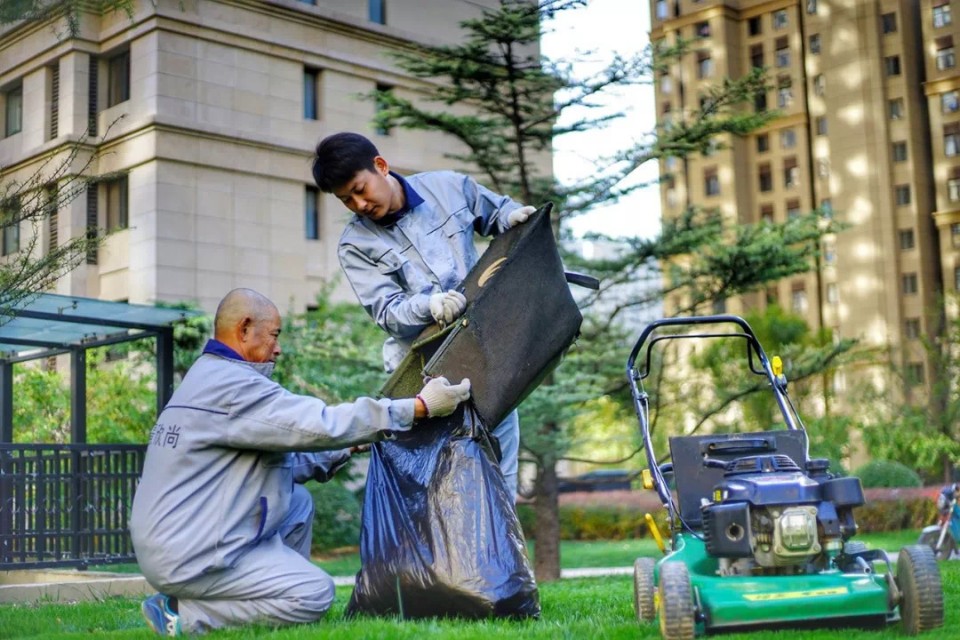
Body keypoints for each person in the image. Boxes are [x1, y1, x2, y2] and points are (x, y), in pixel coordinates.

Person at [130, 288, 471, 636]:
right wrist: (417, 407)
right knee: (314, 594)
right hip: (189, 552)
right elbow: (318, 423)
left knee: (296, 503)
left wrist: (348, 449)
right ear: (244, 328)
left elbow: (281, 466)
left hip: (185, 536)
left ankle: (274, 594)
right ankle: (182, 614)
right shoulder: (231, 387)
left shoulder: (211, 378)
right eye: (274, 335)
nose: (277, 348)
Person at [311, 132, 535, 498]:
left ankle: (504, 549)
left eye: (360, 189)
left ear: (380, 166)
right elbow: (386, 311)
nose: (358, 204)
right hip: (423, 374)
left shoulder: (448, 188)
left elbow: (496, 212)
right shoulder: (356, 244)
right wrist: (429, 306)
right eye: (346, 200)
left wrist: (512, 215)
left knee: (501, 470)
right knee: (444, 483)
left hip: (484, 354)